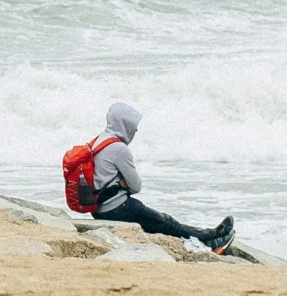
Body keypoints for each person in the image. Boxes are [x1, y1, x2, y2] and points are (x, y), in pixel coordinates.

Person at [86, 104, 234, 251]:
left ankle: (207, 237)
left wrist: (120, 184)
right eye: (132, 124)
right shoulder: (118, 148)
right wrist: (123, 185)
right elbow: (136, 186)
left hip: (99, 208)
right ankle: (211, 239)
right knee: (165, 222)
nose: (135, 129)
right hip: (117, 208)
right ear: (123, 123)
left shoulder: (98, 141)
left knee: (156, 224)